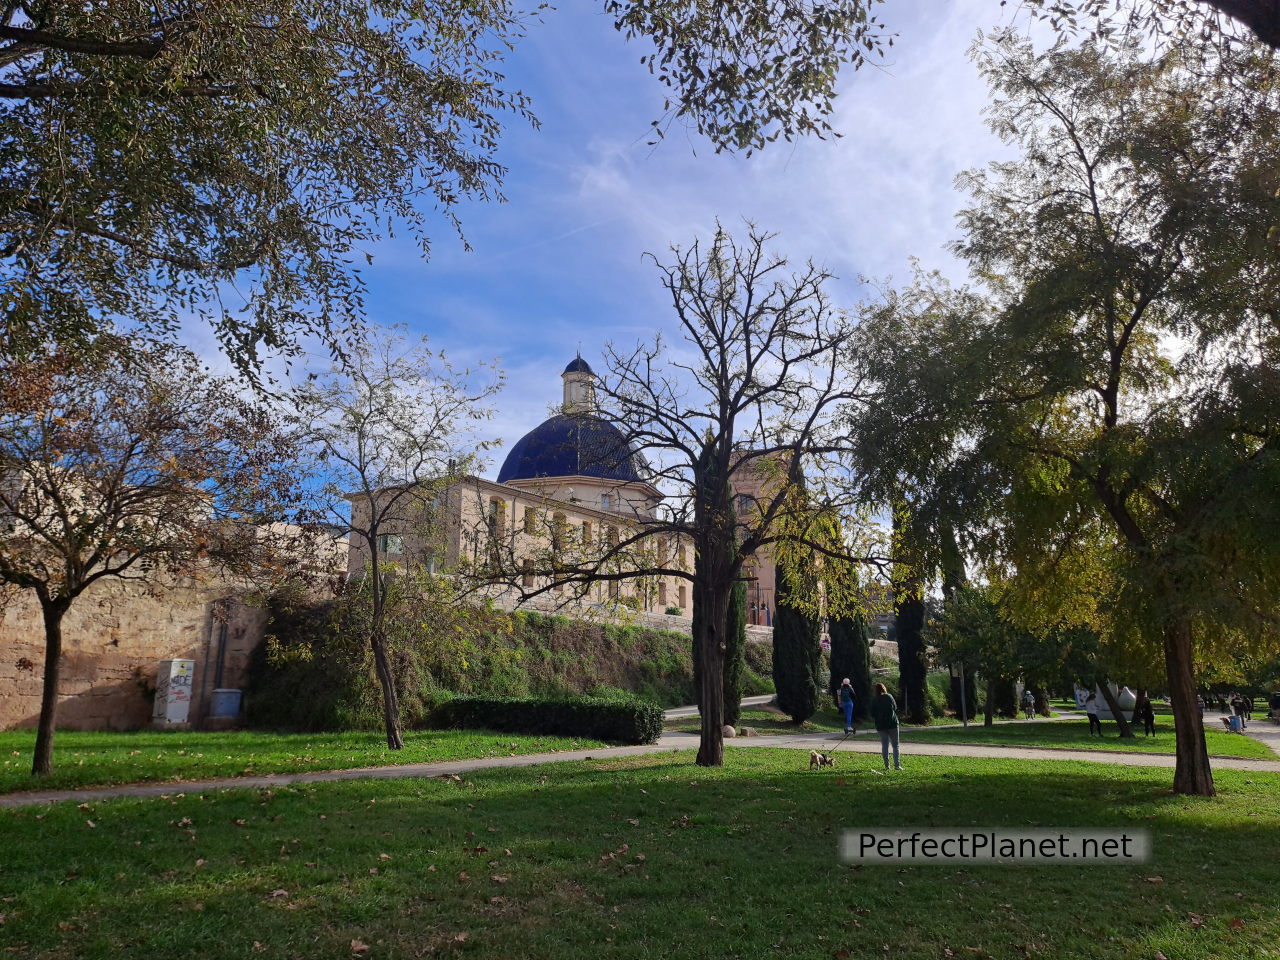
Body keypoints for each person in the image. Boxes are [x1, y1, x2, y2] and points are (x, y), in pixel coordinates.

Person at [870, 682, 902, 770]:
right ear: (884, 688)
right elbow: (895, 707)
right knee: (895, 745)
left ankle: (887, 766)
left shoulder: (874, 700)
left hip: (880, 725)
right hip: (892, 723)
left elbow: (872, 714)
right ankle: (897, 765)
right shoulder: (889, 696)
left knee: (885, 745)